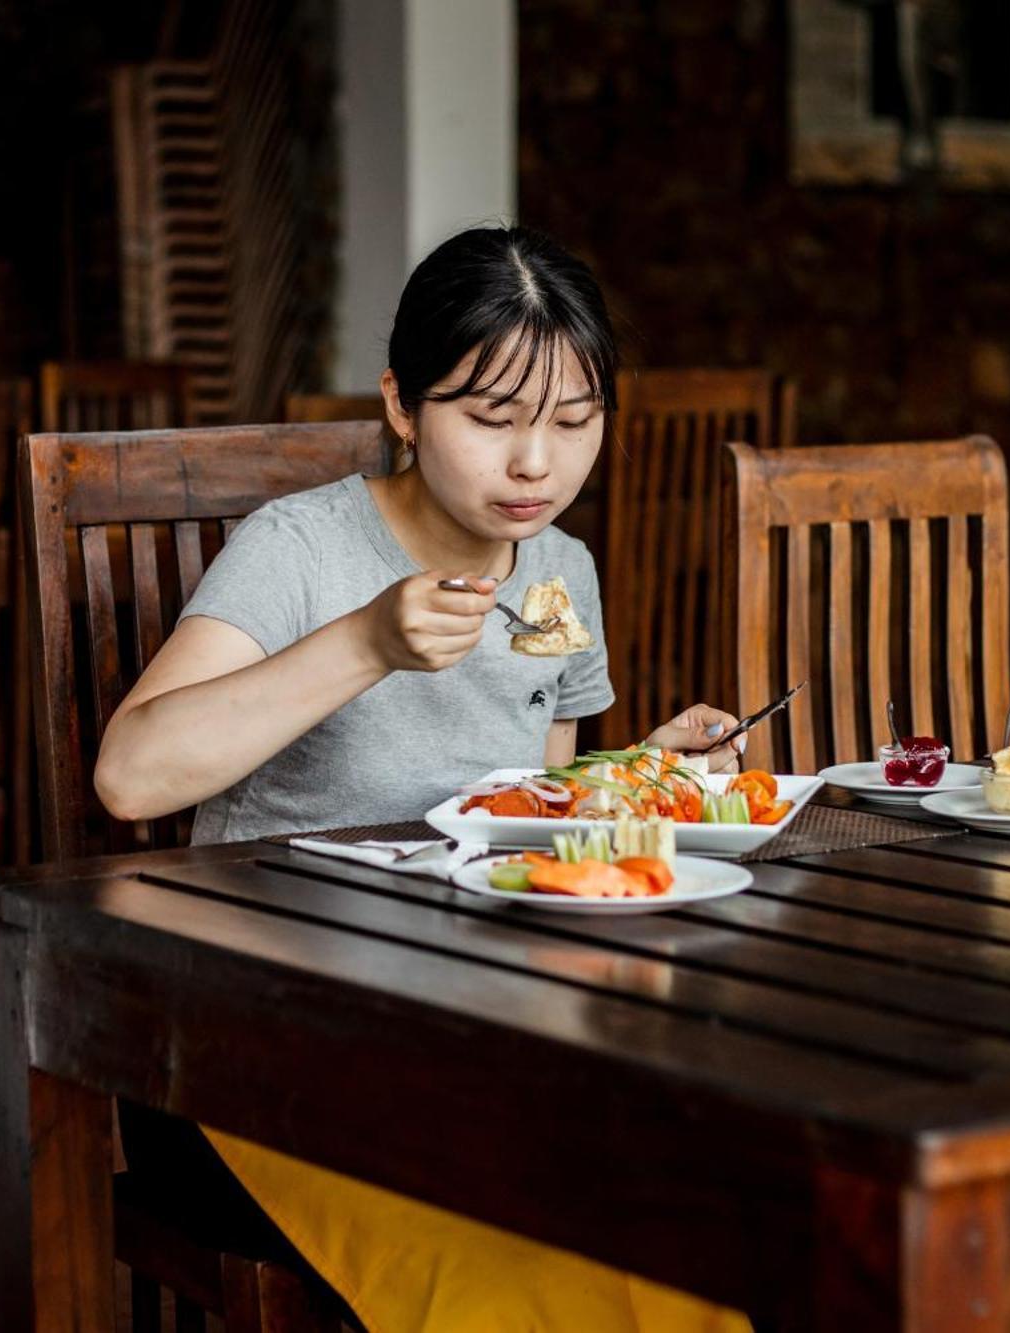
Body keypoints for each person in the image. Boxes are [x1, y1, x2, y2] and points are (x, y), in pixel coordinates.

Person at [92, 224, 752, 1332]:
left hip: (473, 1022)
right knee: (530, 1281)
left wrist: (638, 773)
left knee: (699, 1226)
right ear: (401, 405)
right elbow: (131, 775)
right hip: (254, 1048)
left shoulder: (559, 569)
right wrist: (364, 645)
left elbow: (535, 810)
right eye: (490, 420)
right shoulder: (300, 548)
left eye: (575, 423)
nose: (535, 464)